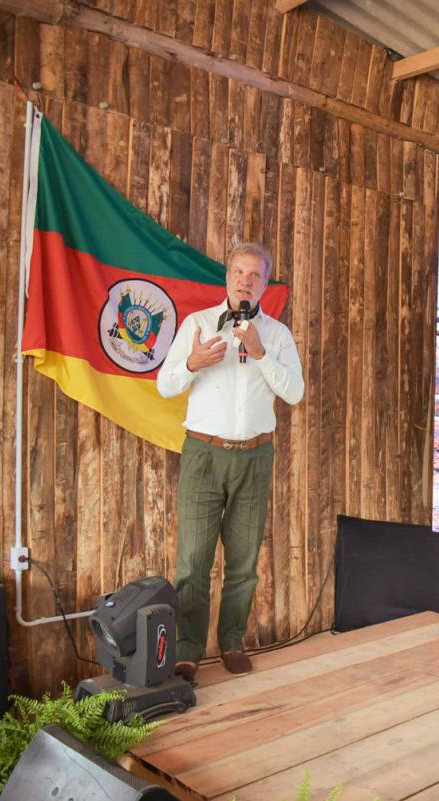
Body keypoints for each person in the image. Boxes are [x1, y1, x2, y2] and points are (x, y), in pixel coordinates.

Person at [157, 242, 304, 680]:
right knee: (194, 561)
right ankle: (187, 649)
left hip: (255, 457)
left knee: (243, 561)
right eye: (239, 272)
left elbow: (294, 393)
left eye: (255, 275)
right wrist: (192, 362)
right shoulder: (198, 324)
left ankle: (233, 641)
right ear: (228, 277)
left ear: (264, 283)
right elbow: (166, 385)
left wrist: (260, 353)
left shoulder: (277, 335)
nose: (245, 281)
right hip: (204, 454)